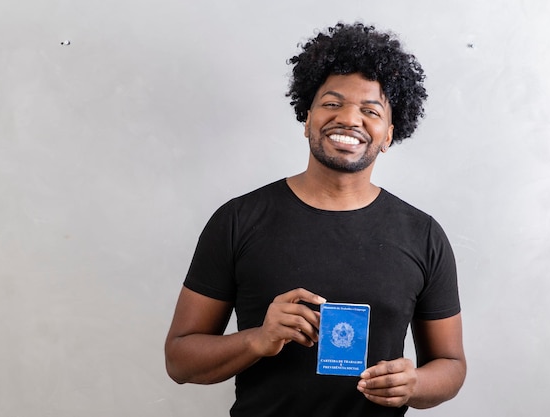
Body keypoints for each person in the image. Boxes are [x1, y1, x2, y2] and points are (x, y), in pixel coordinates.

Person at [165, 22, 466, 417]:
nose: (349, 119)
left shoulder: (422, 234)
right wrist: (258, 339)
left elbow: (451, 365)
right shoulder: (238, 220)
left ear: (389, 133)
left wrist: (414, 385)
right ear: (307, 118)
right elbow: (179, 359)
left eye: (370, 110)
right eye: (332, 103)